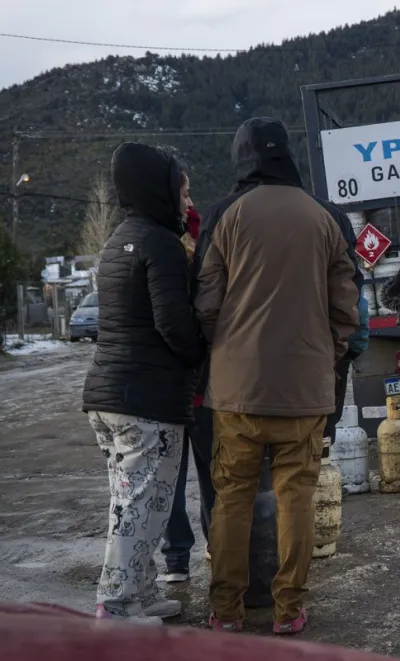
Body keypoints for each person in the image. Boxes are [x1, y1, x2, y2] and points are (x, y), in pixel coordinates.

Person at [195, 117, 359, 634]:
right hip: (305, 390)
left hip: (236, 391)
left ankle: (227, 610)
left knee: (231, 500)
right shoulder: (326, 216)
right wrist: (325, 355)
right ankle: (289, 610)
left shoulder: (223, 215)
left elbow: (206, 303)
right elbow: (347, 308)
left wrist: (227, 350)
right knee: (296, 499)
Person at [82, 143, 205, 623]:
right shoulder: (160, 242)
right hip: (146, 399)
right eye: (184, 191)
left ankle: (142, 591)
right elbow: (173, 323)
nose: (188, 202)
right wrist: (202, 352)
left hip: (109, 395)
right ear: (162, 189)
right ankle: (115, 606)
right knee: (141, 505)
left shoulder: (119, 239)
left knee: (134, 500)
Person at [160, 205, 214, 584]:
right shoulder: (208, 273)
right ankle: (217, 545)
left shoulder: (159, 274)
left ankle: (177, 559)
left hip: (173, 394)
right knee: (213, 478)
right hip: (204, 393)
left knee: (171, 481)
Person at [324, 292, 370, 442]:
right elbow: (358, 313)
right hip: (334, 357)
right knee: (327, 421)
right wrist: (347, 354)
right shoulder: (343, 284)